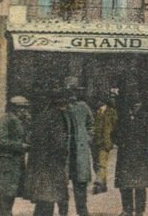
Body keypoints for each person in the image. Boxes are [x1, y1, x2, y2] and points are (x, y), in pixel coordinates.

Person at [25, 90, 70, 216]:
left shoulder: (42, 116)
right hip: (53, 164)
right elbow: (58, 142)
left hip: (40, 164)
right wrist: (64, 155)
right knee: (58, 196)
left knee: (44, 199)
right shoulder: (57, 117)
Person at [0, 96, 29, 216]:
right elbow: (1, 140)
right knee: (6, 194)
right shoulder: (5, 120)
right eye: (22, 108)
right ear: (14, 107)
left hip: (15, 162)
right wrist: (20, 146)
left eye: (25, 108)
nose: (24, 111)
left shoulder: (19, 120)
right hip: (6, 162)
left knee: (11, 193)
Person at [114, 91, 148, 216]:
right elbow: (115, 134)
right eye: (133, 105)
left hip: (140, 155)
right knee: (125, 184)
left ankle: (140, 210)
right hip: (126, 154)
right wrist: (119, 141)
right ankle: (127, 209)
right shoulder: (123, 118)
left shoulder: (146, 118)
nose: (135, 107)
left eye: (137, 105)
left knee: (140, 185)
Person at [60, 77, 94, 216]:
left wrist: (87, 138)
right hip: (64, 151)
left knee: (80, 183)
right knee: (62, 185)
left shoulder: (83, 107)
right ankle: (63, 212)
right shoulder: (61, 107)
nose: (71, 94)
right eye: (69, 91)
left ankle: (83, 211)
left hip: (80, 152)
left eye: (74, 90)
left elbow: (91, 124)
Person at [91, 92, 118, 195]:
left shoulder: (111, 112)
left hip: (105, 142)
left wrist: (113, 139)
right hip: (95, 142)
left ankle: (98, 183)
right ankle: (103, 184)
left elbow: (115, 126)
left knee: (101, 163)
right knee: (95, 164)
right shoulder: (96, 112)